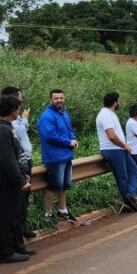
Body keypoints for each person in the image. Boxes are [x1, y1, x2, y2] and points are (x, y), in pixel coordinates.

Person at [0, 95, 32, 264]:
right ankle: (5, 252)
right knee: (7, 216)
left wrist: (23, 174)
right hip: (8, 180)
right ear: (12, 111)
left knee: (15, 214)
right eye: (17, 109)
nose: (18, 112)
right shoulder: (1, 130)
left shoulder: (6, 127)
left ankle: (15, 246)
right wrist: (20, 180)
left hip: (14, 178)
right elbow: (7, 160)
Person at [97, 92, 137, 213]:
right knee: (122, 177)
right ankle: (129, 202)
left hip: (119, 149)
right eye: (119, 101)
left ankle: (130, 196)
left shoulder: (110, 114)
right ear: (115, 102)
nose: (119, 103)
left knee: (134, 171)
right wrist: (125, 145)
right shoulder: (106, 115)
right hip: (113, 150)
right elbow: (111, 136)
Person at [38, 89, 79, 223]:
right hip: (54, 157)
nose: (59, 100)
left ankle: (63, 210)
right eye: (56, 98)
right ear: (51, 100)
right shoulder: (47, 116)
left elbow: (69, 130)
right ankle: (48, 214)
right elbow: (50, 136)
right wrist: (68, 142)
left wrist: (73, 139)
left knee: (64, 185)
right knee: (53, 186)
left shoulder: (64, 114)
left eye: (61, 98)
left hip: (67, 155)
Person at [0, 87, 36, 239]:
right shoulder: (4, 120)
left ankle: (22, 227)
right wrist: (25, 118)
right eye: (19, 97)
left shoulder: (12, 117)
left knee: (24, 199)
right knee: (18, 201)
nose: (21, 99)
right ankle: (16, 235)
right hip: (18, 163)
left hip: (25, 159)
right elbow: (20, 134)